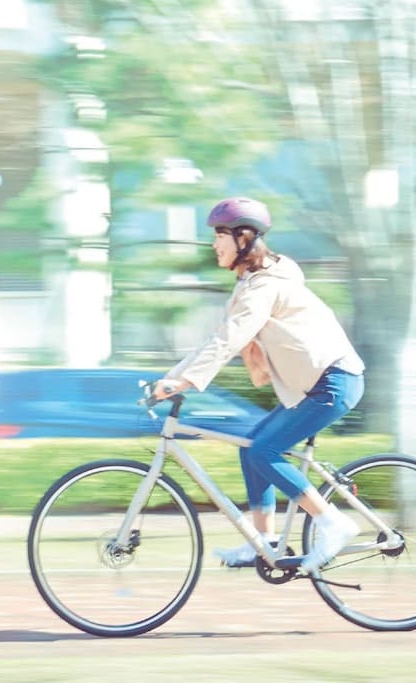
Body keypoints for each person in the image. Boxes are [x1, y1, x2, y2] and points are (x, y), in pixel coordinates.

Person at [153, 196, 365, 573]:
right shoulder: (254, 281)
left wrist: (185, 380)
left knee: (263, 451)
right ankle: (262, 542)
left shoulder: (264, 285)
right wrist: (174, 378)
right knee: (252, 446)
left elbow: (230, 339)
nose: (214, 244)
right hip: (316, 384)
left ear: (244, 238)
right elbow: (217, 337)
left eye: (220, 235)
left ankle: (332, 523)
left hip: (332, 382)